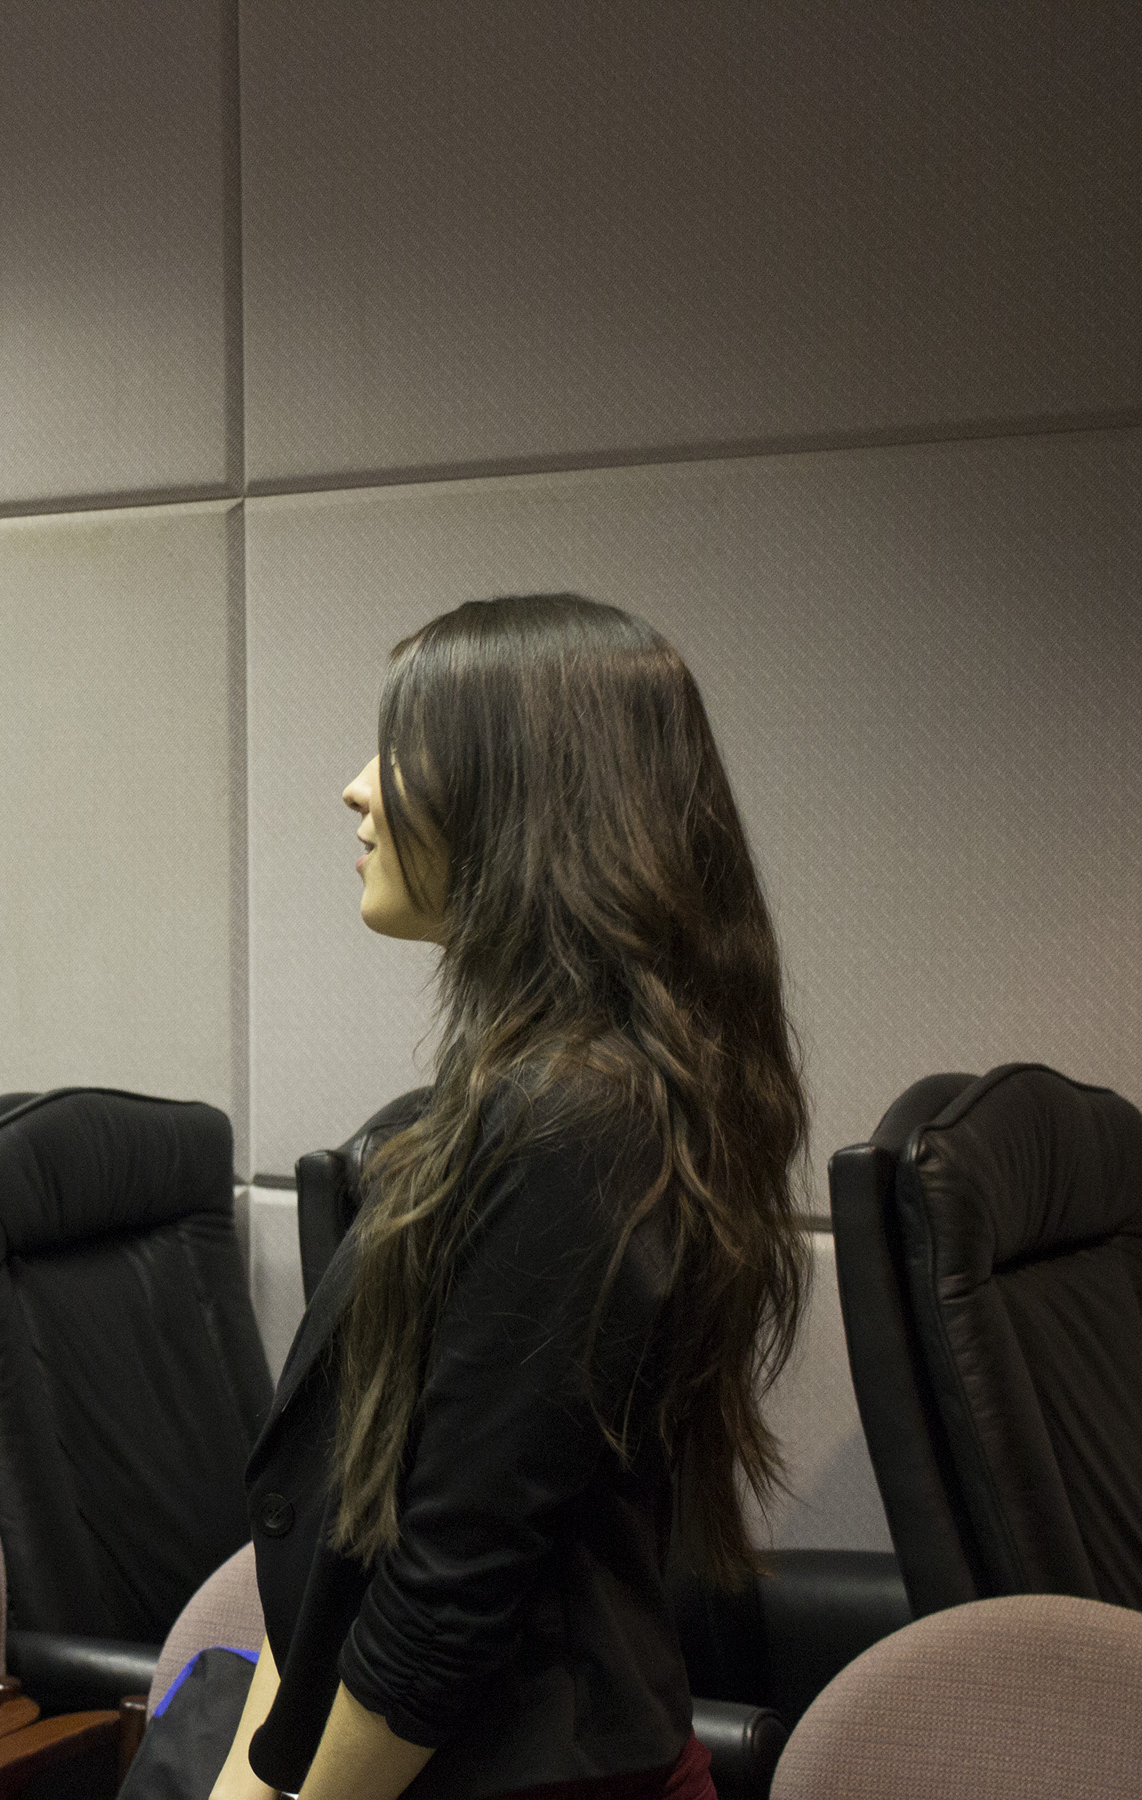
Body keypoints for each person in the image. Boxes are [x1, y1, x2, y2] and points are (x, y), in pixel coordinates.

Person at [214, 594, 809, 1800]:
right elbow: (351, 1537)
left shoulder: (580, 1119)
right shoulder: (544, 1095)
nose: (355, 788)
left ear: (524, 797)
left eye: (402, 749)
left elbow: (448, 1592)